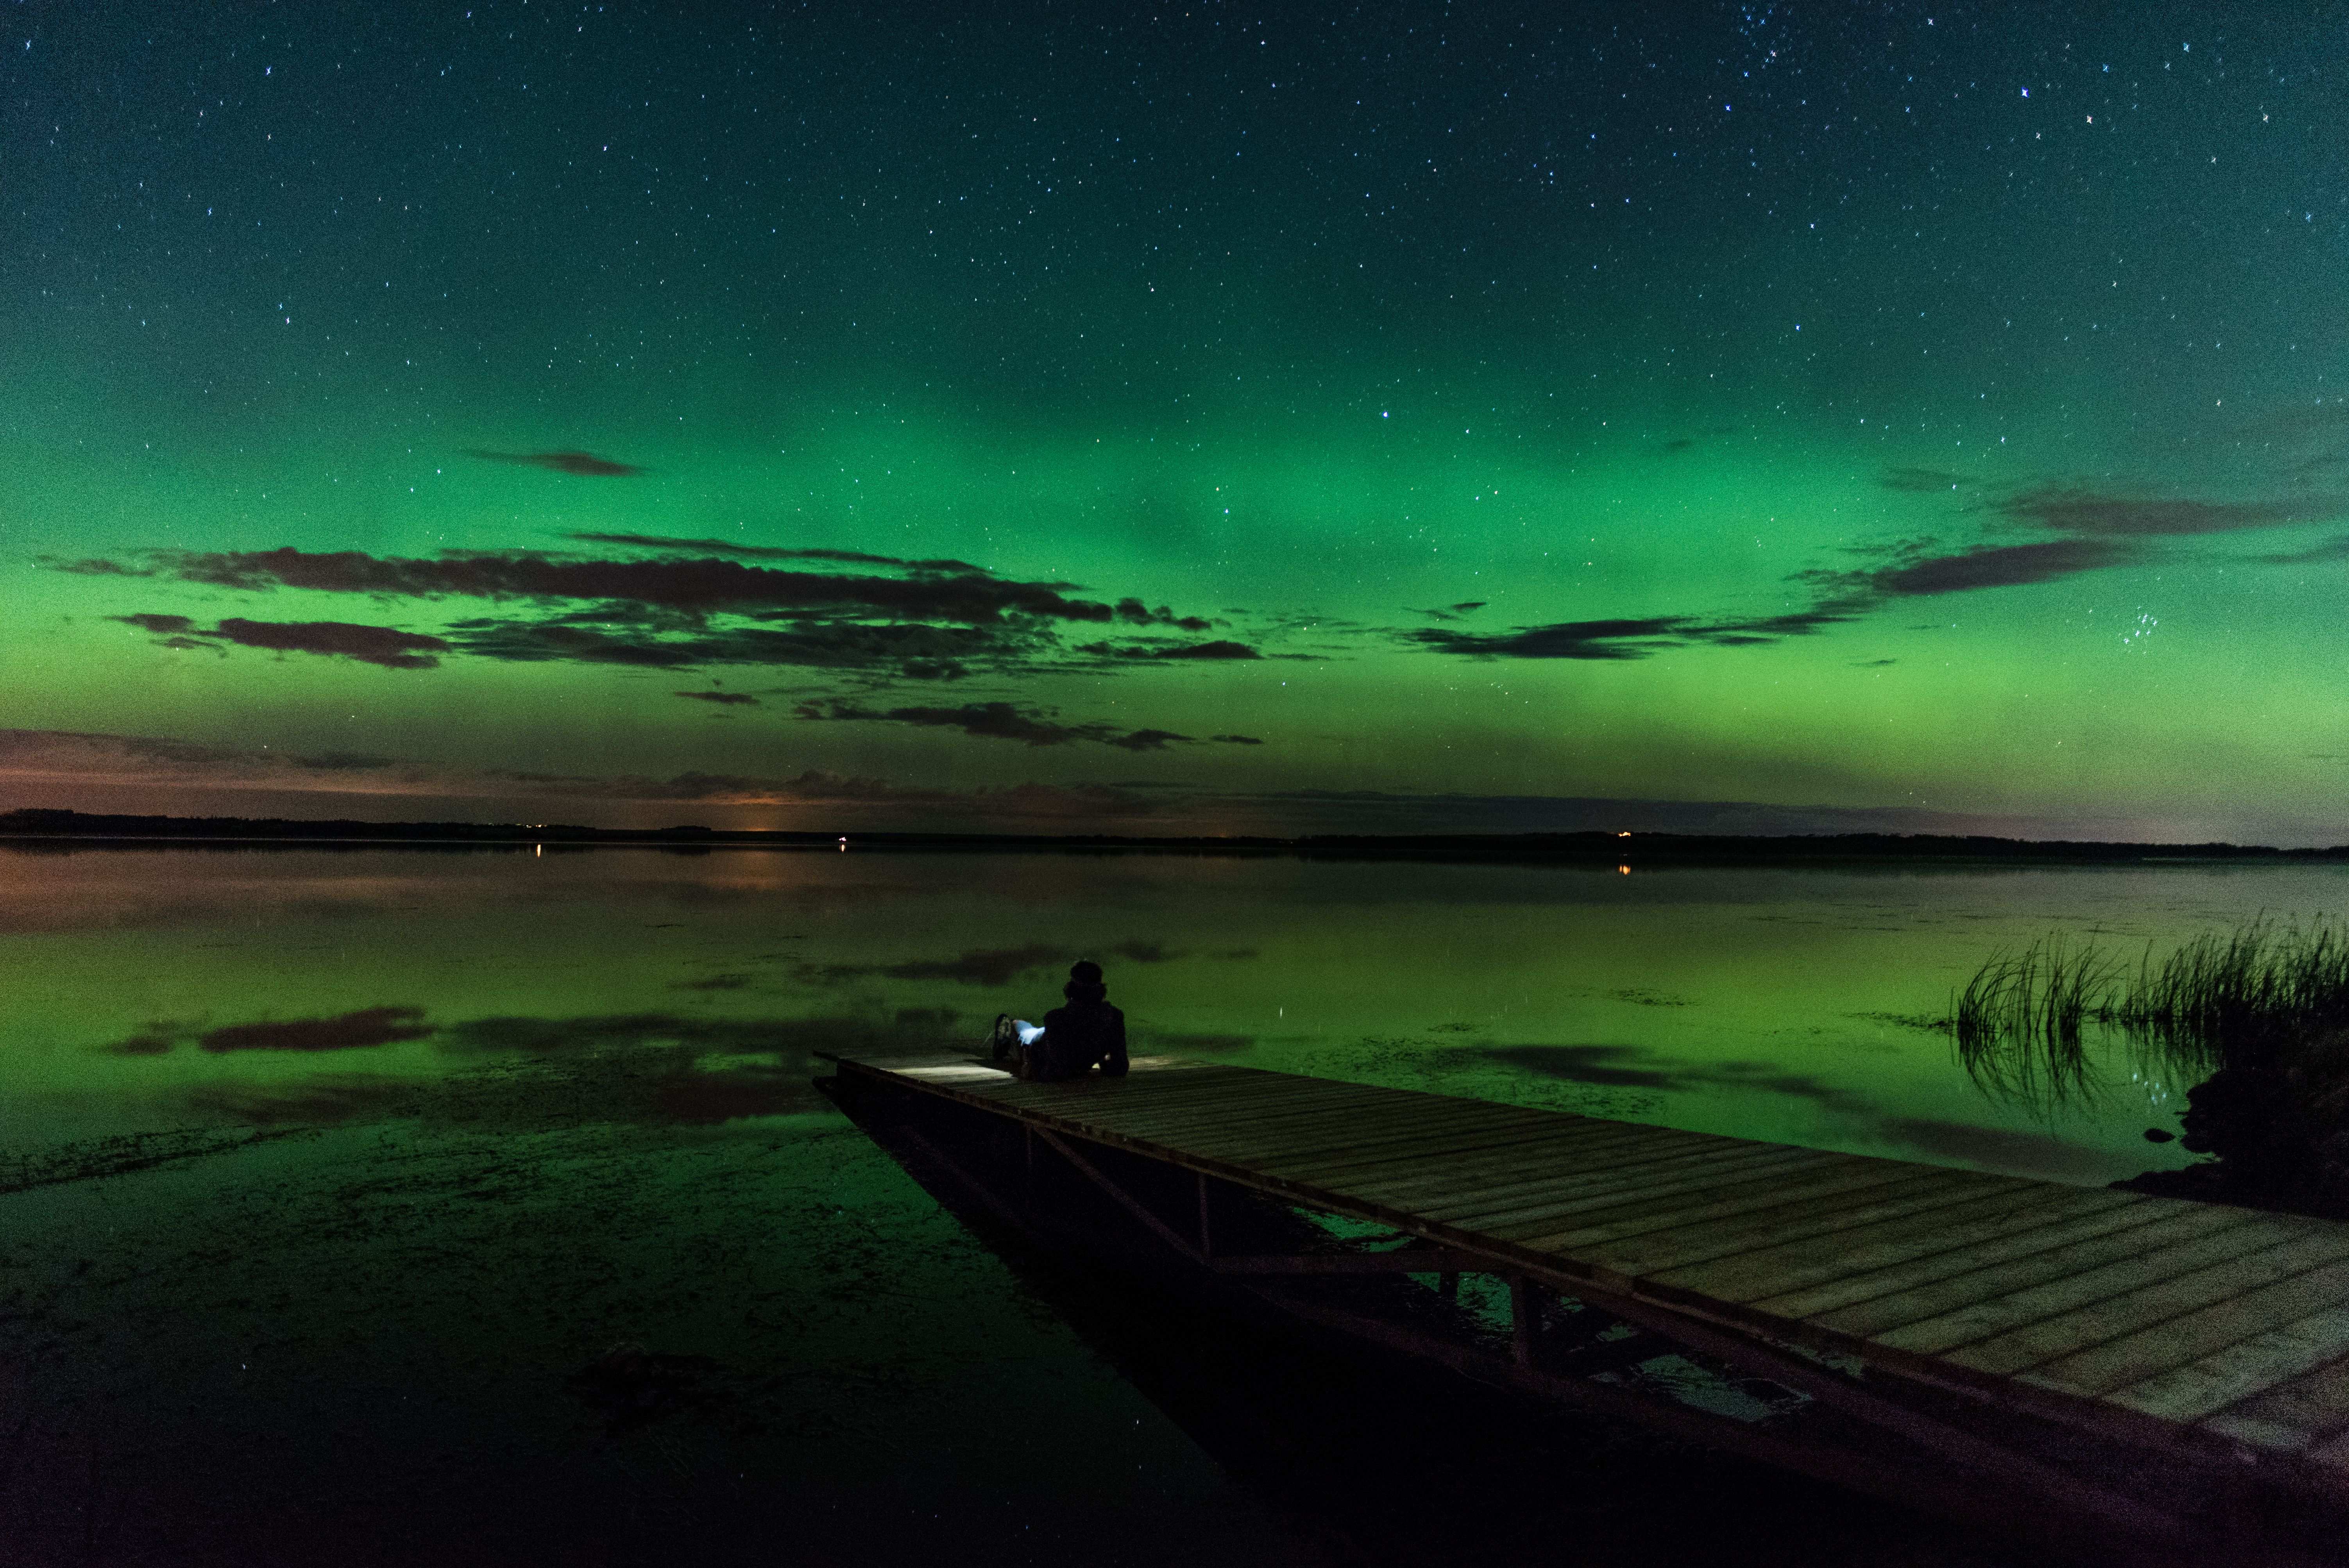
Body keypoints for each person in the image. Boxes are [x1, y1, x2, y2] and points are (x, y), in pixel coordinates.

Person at [987, 960, 1129, 1081]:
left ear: (1071, 989)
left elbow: (1055, 1069)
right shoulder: (1115, 1017)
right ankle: (1008, 1038)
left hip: (1041, 1042)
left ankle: (1005, 1041)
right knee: (1032, 1030)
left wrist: (1029, 1071)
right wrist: (1102, 1061)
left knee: (1022, 1028)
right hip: (1058, 1042)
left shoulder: (1056, 1018)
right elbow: (1121, 1066)